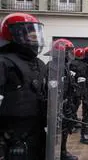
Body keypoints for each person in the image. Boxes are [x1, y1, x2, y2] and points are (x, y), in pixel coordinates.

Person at [0, 13, 47, 160]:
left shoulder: (39, 64)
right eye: (31, 36)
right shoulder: (3, 63)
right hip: (12, 136)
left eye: (37, 36)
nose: (35, 40)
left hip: (37, 131)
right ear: (14, 35)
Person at [51, 39, 78, 160]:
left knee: (65, 130)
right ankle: (56, 153)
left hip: (66, 104)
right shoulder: (53, 67)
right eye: (69, 51)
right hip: (57, 105)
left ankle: (63, 151)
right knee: (57, 132)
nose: (72, 54)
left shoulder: (65, 66)